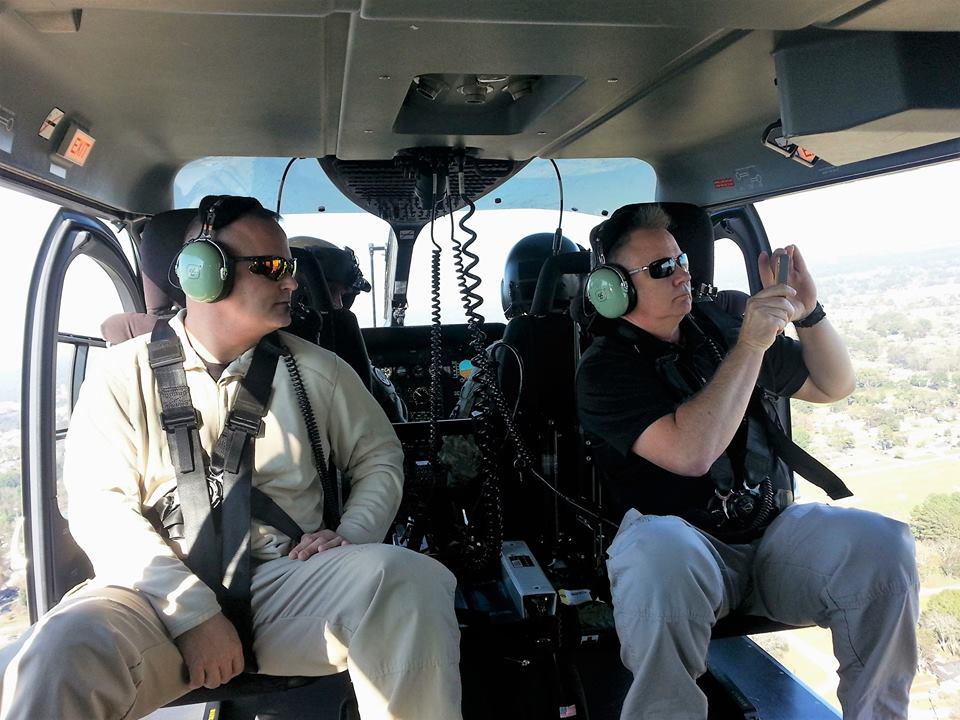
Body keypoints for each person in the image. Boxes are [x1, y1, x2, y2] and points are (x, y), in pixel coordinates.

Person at [0, 196, 462, 720]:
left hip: (287, 580)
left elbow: (379, 457)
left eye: (289, 267)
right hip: (154, 595)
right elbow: (100, 509)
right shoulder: (120, 376)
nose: (290, 282)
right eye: (271, 268)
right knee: (60, 649)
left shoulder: (320, 372)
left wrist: (351, 533)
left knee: (411, 581)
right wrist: (193, 615)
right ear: (203, 275)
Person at [576, 203, 919, 720]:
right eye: (662, 269)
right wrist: (752, 343)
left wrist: (811, 313)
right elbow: (692, 454)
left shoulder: (718, 327)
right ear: (613, 289)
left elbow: (832, 385)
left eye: (682, 260)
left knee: (883, 547)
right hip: (685, 553)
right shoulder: (604, 371)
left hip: (771, 538)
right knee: (656, 555)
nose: (683, 275)